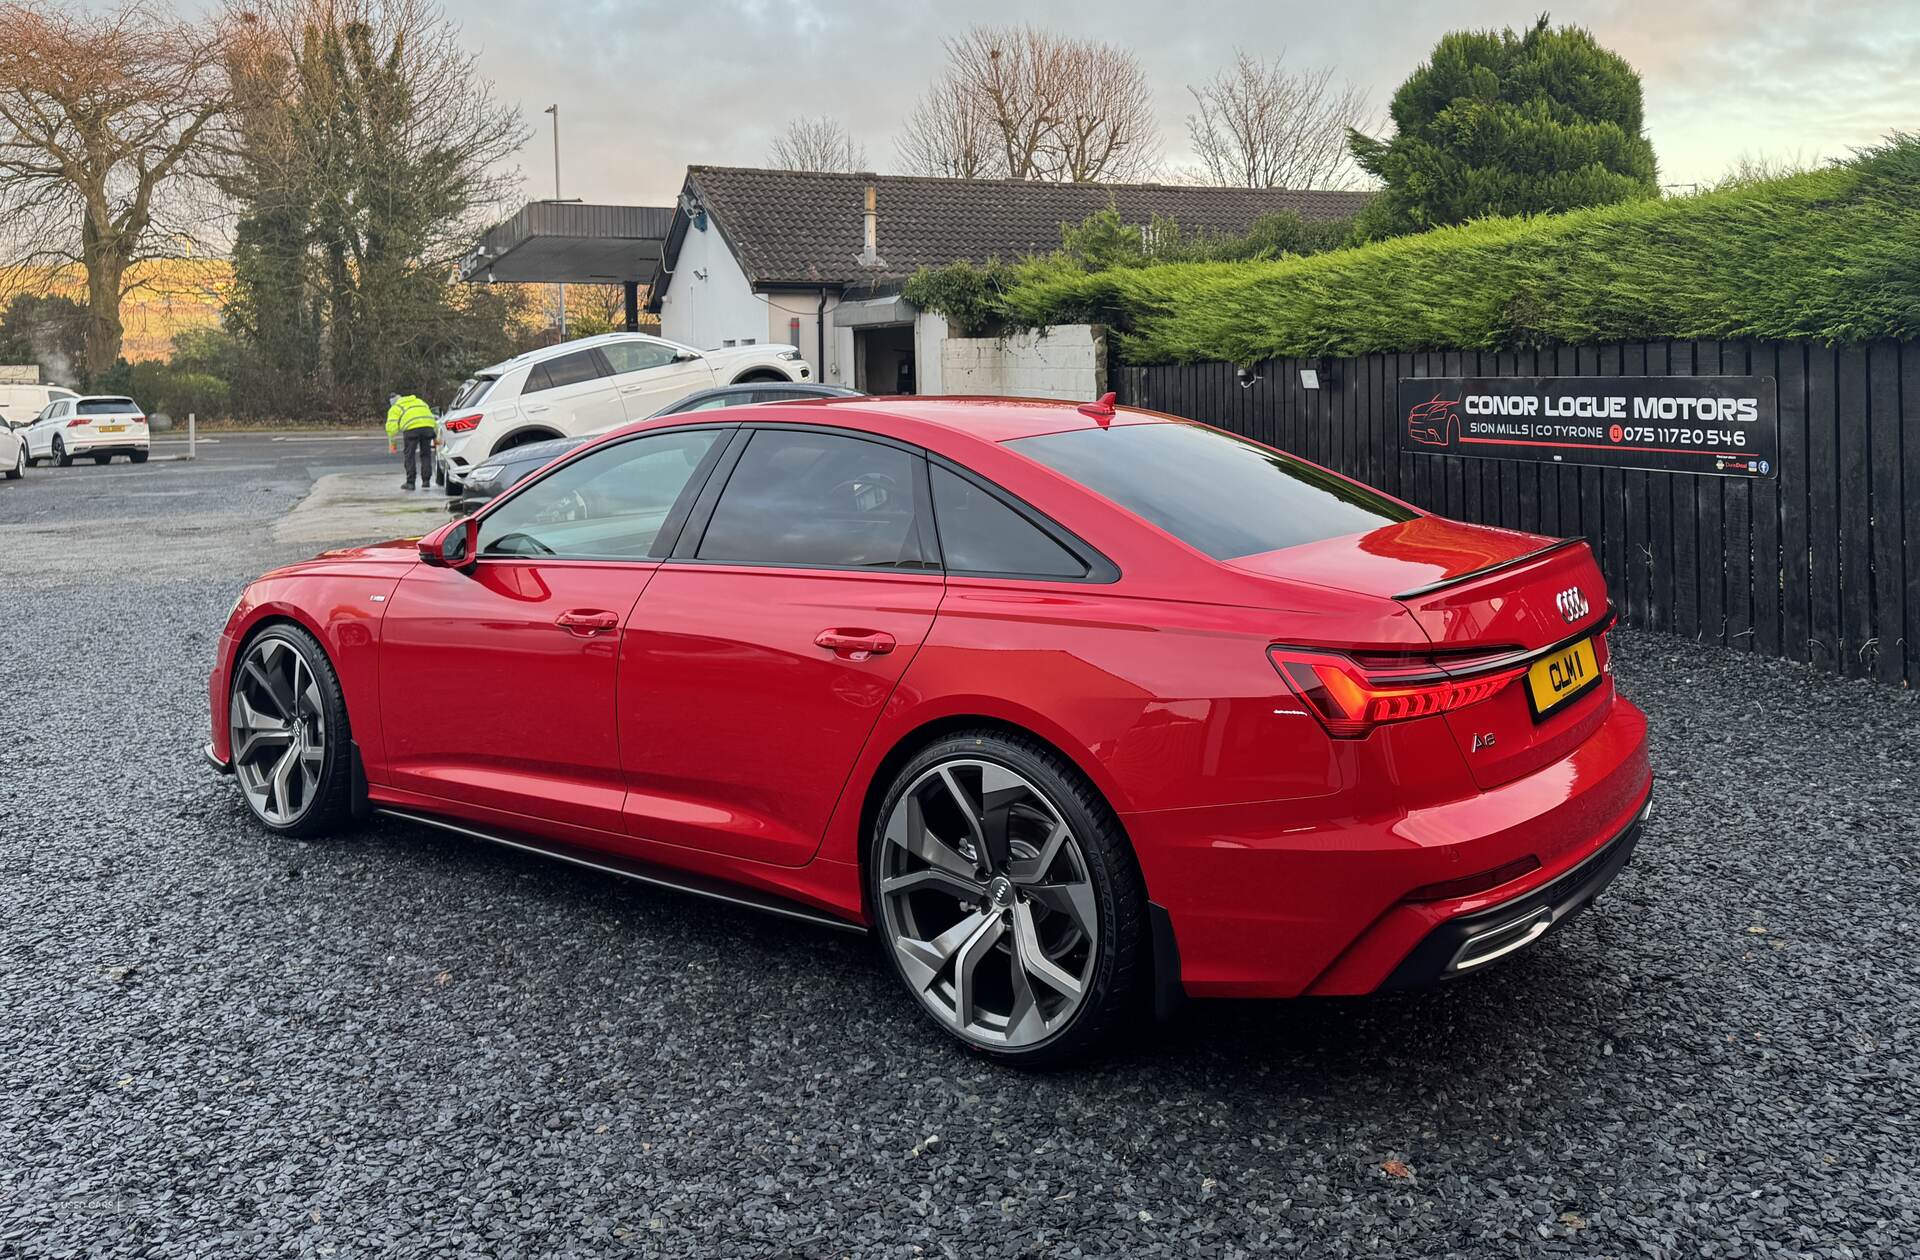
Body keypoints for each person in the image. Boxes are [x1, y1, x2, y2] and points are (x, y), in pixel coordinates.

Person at [385, 392, 437, 490]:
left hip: (411, 430)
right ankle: (426, 481)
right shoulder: (419, 401)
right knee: (426, 454)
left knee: (410, 455)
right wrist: (437, 440)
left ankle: (410, 482)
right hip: (428, 428)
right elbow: (432, 418)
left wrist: (393, 446)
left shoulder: (396, 407)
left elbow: (391, 429)